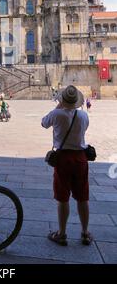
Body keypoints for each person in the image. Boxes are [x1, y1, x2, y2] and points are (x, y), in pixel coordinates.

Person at [41, 85, 92, 246]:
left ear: (62, 100)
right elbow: (84, 130)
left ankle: (62, 233)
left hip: (63, 158)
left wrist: (59, 106)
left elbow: (44, 123)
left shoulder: (56, 114)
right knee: (83, 197)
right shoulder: (83, 115)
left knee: (63, 198)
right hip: (80, 158)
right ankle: (85, 233)